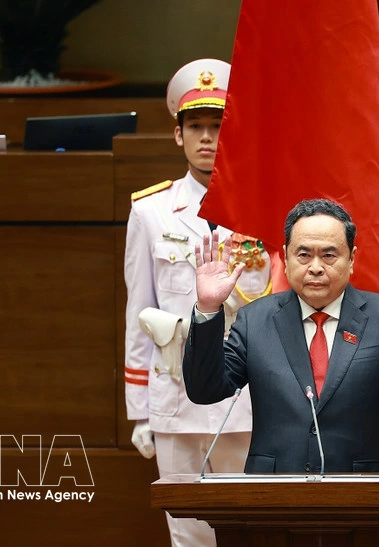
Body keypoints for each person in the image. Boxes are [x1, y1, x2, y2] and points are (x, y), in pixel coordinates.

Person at [183, 198, 379, 473]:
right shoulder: (255, 319)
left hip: (359, 489)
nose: (315, 267)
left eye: (329, 255)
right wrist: (207, 308)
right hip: (272, 492)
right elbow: (206, 390)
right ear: (285, 258)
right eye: (303, 255)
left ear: (351, 259)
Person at [123, 58, 271, 547]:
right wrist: (140, 411)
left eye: (219, 126)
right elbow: (138, 312)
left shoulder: (268, 203)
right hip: (176, 392)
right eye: (196, 126)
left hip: (251, 395)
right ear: (178, 135)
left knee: (254, 529)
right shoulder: (150, 211)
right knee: (187, 534)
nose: (208, 138)